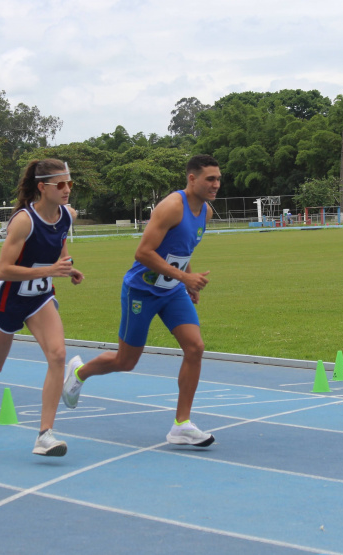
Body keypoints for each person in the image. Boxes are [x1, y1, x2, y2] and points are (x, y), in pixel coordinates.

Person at [62, 154, 220, 447]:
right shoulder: (173, 206)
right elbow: (143, 253)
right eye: (210, 179)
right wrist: (184, 278)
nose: (216, 184)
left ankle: (181, 425)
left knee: (195, 347)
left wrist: (187, 279)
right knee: (126, 361)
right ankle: (79, 372)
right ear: (192, 178)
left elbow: (181, 249)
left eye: (218, 179)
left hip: (172, 291)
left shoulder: (206, 213)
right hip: (142, 290)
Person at [0, 158, 84, 457]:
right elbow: (4, 270)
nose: (67, 190)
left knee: (58, 355)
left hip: (40, 298)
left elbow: (60, 248)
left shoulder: (67, 216)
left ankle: (45, 434)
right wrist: (48, 271)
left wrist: (68, 268)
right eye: (60, 184)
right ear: (41, 187)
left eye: (69, 184)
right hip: (9, 298)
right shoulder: (23, 220)